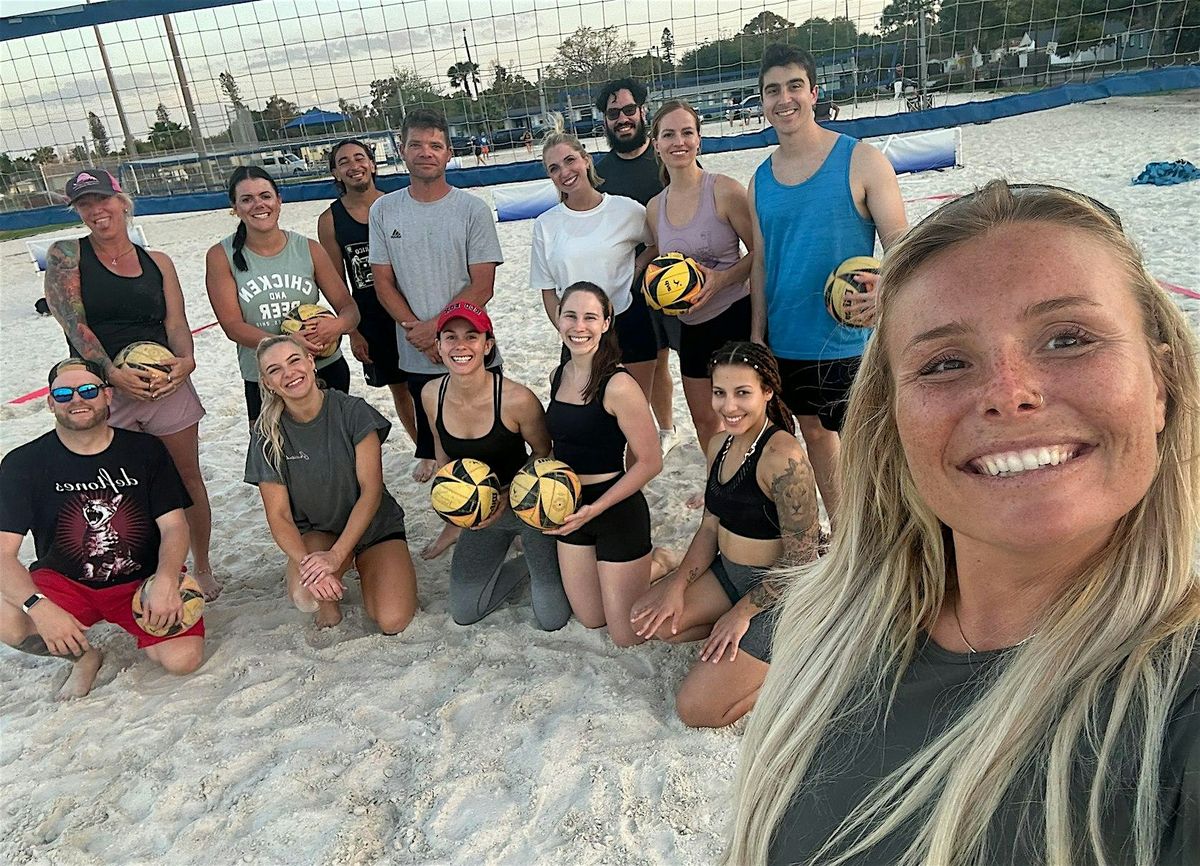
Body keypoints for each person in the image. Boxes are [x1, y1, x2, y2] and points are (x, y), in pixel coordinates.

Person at [724, 181, 1200, 866]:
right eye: (946, 362)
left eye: (1068, 339)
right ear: (893, 420)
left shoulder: (1176, 714)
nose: (1009, 393)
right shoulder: (822, 628)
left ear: (1161, 386)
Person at [749, 44, 907, 524]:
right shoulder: (760, 179)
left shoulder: (862, 160)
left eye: (794, 86)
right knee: (815, 435)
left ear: (814, 93)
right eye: (772, 90)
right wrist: (757, 334)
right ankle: (843, 532)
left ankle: (884, 532)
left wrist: (886, 293)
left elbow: (903, 248)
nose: (784, 99)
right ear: (762, 101)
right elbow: (761, 263)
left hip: (850, 338)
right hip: (788, 339)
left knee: (872, 446)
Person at [44, 168, 218, 600]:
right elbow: (74, 325)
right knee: (118, 488)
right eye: (85, 204)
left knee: (186, 478)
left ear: (122, 201)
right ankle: (141, 570)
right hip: (105, 390)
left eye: (102, 199)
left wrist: (187, 361)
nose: (96, 210)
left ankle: (202, 565)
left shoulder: (157, 261)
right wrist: (110, 373)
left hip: (163, 382)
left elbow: (175, 322)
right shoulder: (66, 254)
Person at [631, 343, 820, 727]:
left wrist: (741, 614)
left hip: (779, 593)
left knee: (696, 710)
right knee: (650, 620)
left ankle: (790, 659)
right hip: (729, 573)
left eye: (742, 393)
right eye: (720, 393)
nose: (729, 406)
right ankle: (744, 650)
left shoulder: (784, 459)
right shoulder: (719, 444)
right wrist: (677, 585)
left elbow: (801, 559)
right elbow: (709, 526)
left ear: (767, 392)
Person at [0, 359, 205, 699]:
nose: (76, 400)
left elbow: (174, 526)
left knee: (182, 660)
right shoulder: (23, 463)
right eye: (63, 394)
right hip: (66, 583)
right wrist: (39, 605)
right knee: (6, 619)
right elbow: (3, 554)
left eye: (88, 390)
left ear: (107, 395)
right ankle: (83, 657)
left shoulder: (145, 450)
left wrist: (167, 579)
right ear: (50, 402)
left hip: (140, 581)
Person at [367, 107, 504, 500]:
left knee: (489, 439)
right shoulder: (384, 210)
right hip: (417, 348)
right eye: (416, 145)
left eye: (435, 145)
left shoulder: (472, 209)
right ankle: (457, 508)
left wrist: (438, 333)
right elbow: (383, 283)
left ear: (448, 153)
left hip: (468, 343)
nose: (425, 152)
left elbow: (483, 285)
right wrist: (420, 332)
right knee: (442, 447)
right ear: (402, 150)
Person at [244, 335, 418, 633]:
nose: (288, 373)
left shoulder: (352, 411)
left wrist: (337, 555)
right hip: (319, 532)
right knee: (306, 596)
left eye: (294, 360)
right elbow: (279, 516)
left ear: (311, 362)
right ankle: (329, 597)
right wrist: (309, 565)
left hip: (374, 528)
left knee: (393, 620)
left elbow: (371, 491)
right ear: (267, 383)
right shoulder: (266, 434)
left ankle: (363, 565)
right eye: (275, 370)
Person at [423, 301, 570, 631]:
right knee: (465, 611)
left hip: (527, 506)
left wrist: (505, 495)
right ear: (439, 346)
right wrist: (454, 510)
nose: (460, 346)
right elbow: (442, 452)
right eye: (450, 337)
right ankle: (523, 564)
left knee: (552, 618)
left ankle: (537, 557)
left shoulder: (517, 399)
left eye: (471, 336)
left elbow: (544, 452)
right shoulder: (431, 394)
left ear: (487, 345)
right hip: (481, 515)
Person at [645, 100, 755, 506]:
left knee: (749, 416)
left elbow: (761, 253)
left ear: (699, 139)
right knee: (707, 421)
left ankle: (758, 491)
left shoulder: (723, 189)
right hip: (691, 329)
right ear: (656, 144)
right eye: (669, 134)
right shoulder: (655, 208)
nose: (679, 141)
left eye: (687, 132)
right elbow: (657, 265)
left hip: (735, 317)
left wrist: (722, 279)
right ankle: (720, 493)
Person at [544, 282, 662, 647]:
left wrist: (595, 509)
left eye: (590, 317)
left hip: (615, 508)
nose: (579, 327)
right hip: (569, 506)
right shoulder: (558, 375)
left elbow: (651, 462)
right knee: (591, 618)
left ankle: (661, 563)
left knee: (625, 635)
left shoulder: (619, 385)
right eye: (570, 316)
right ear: (558, 319)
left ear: (606, 323)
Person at [205, 166, 360, 424]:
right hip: (267, 377)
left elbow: (349, 309)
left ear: (279, 200)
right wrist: (287, 344)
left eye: (265, 196)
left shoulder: (308, 248)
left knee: (336, 445)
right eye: (247, 199)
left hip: (321, 368)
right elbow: (232, 326)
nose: (259, 204)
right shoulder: (221, 256)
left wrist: (337, 326)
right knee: (274, 448)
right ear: (235, 208)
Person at [530, 133, 659, 401]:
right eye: (554, 168)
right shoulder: (545, 224)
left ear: (586, 160)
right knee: (584, 415)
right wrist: (567, 331)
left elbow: (657, 243)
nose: (564, 172)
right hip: (578, 333)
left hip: (628, 324)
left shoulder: (626, 210)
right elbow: (548, 291)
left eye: (570, 160)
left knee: (635, 411)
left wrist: (637, 266)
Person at [594, 77, 681, 458]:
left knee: (681, 364)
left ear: (643, 111)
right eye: (614, 113)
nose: (623, 119)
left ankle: (671, 427)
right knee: (650, 362)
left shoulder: (667, 159)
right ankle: (659, 429)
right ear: (605, 120)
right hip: (627, 287)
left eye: (629, 110)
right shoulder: (600, 174)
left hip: (677, 279)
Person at [317, 139, 418, 445]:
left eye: (359, 158)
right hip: (371, 317)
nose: (354, 165)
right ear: (335, 173)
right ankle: (423, 449)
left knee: (430, 381)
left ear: (372, 164)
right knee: (400, 387)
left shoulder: (399, 204)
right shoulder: (330, 220)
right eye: (344, 162)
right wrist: (353, 332)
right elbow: (337, 284)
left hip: (412, 306)